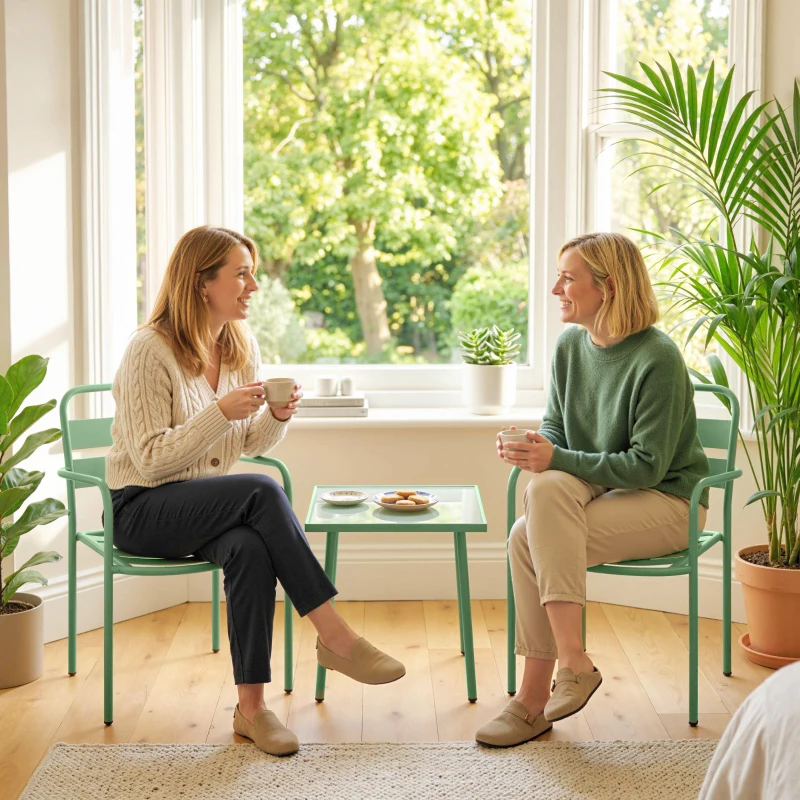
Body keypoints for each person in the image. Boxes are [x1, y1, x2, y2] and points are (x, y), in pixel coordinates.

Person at [106, 225, 405, 757]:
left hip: (203, 505)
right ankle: (335, 636)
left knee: (248, 546)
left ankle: (251, 710)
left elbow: (242, 445)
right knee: (262, 491)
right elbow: (150, 459)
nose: (253, 285)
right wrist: (218, 412)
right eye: (240, 273)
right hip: (141, 508)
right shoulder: (148, 350)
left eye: (251, 272)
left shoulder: (238, 345)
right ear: (202, 283)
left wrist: (275, 416)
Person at [475, 232, 709, 747]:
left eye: (568, 277)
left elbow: (648, 466)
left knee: (526, 535)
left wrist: (555, 458)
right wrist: (538, 447)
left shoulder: (658, 357)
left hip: (669, 502)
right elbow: (558, 430)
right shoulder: (568, 346)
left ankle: (535, 697)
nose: (556, 287)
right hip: (604, 495)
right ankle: (565, 670)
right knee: (535, 512)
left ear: (608, 286)